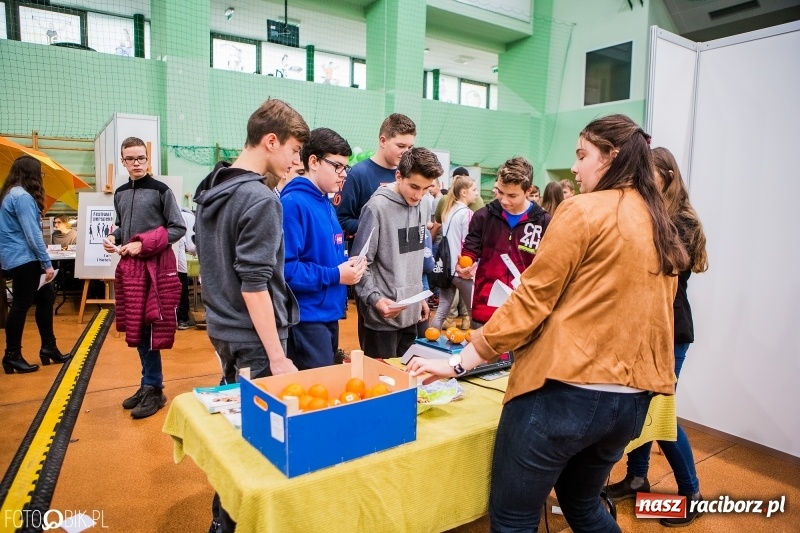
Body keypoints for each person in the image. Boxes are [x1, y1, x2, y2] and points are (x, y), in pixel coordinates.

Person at [408, 114, 689, 532]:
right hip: (630, 402)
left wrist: (458, 363)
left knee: (513, 518)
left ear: (611, 157)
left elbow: (531, 300)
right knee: (583, 504)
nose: (574, 168)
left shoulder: (581, 210)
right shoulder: (659, 221)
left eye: (582, 155)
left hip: (565, 394)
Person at [195, 99, 309, 533]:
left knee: (238, 425)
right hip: (253, 338)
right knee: (257, 441)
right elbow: (254, 284)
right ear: (271, 141)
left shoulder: (213, 186)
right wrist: (277, 356)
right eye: (295, 151)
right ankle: (231, 523)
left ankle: (225, 518)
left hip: (223, 331)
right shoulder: (260, 199)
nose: (296, 161)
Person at [605, 146, 709, 526]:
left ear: (665, 174)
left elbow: (660, 269)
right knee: (641, 409)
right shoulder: (654, 214)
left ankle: (692, 493)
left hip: (670, 331)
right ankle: (637, 477)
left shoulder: (681, 221)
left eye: (647, 173)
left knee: (659, 414)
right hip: (645, 327)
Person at [104, 137, 185, 419]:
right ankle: (147, 383)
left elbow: (178, 228)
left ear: (148, 159)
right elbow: (119, 225)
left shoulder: (162, 191)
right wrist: (113, 237)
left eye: (141, 158)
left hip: (157, 268)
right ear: (123, 161)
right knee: (136, 327)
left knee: (152, 327)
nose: (136, 163)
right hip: (130, 268)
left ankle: (154, 387)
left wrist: (144, 244)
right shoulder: (121, 193)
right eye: (130, 159)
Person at [282, 127, 366, 370]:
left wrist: (349, 266)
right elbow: (287, 271)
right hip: (307, 319)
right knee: (314, 394)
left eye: (345, 167)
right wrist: (336, 275)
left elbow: (325, 257)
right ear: (313, 161)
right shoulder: (293, 204)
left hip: (328, 314)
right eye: (337, 166)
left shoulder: (325, 203)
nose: (343, 174)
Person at [352, 147, 442, 358]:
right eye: (414, 187)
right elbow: (359, 264)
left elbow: (413, 258)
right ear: (398, 176)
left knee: (412, 383)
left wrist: (418, 297)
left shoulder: (422, 203)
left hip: (413, 315)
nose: (419, 195)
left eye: (426, 189)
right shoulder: (376, 208)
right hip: (382, 320)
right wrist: (375, 299)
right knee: (383, 386)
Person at [461, 157, 551, 329]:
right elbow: (470, 249)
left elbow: (548, 265)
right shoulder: (483, 216)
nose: (504, 201)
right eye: (500, 192)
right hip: (485, 307)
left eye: (512, 195)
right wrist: (466, 265)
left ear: (528, 191)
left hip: (524, 310)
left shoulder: (543, 222)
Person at [0, 156, 70, 374]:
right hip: (25, 259)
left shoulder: (11, 193)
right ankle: (12, 355)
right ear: (32, 174)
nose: (41, 177)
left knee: (47, 297)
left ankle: (49, 347)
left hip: (18, 257)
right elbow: (32, 235)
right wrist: (47, 263)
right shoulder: (22, 197)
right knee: (21, 304)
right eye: (40, 173)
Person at [335, 113, 416, 240]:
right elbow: (340, 221)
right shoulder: (357, 174)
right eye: (401, 146)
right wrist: (381, 226)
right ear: (383, 141)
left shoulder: (408, 175)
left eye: (410, 147)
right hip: (366, 257)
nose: (406, 152)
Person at [430, 174, 477, 332]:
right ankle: (478, 349)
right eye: (474, 190)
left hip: (446, 269)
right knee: (473, 312)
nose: (476, 193)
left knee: (442, 310)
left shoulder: (448, 210)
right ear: (464, 192)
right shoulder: (467, 213)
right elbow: (467, 242)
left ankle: (430, 338)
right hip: (461, 269)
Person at [176, 207, 196, 330]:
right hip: (178, 256)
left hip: (162, 256)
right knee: (181, 284)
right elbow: (192, 245)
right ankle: (183, 319)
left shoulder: (175, 213)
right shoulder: (191, 218)